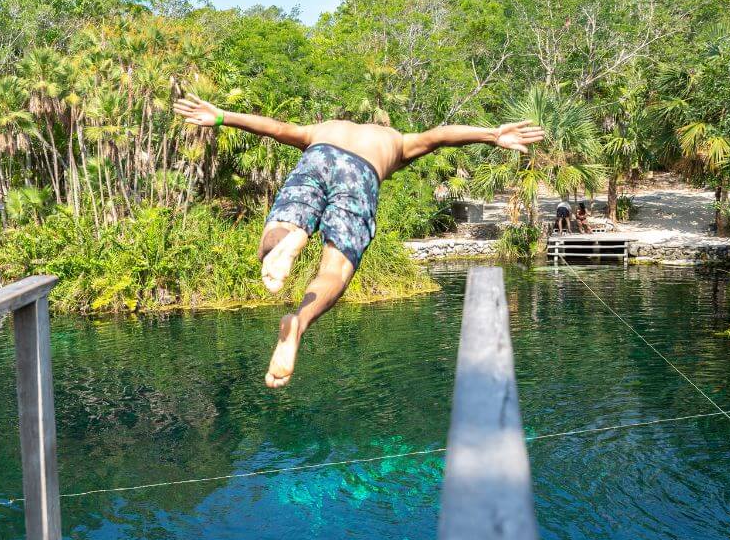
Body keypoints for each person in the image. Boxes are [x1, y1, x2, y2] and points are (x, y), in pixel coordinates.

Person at [172, 94, 544, 387]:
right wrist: (492, 134)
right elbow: (439, 136)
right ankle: (298, 325)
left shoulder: (324, 127)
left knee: (275, 236)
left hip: (317, 157)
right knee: (336, 269)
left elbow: (275, 127)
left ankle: (294, 236)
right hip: (362, 174)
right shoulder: (396, 142)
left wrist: (222, 115)